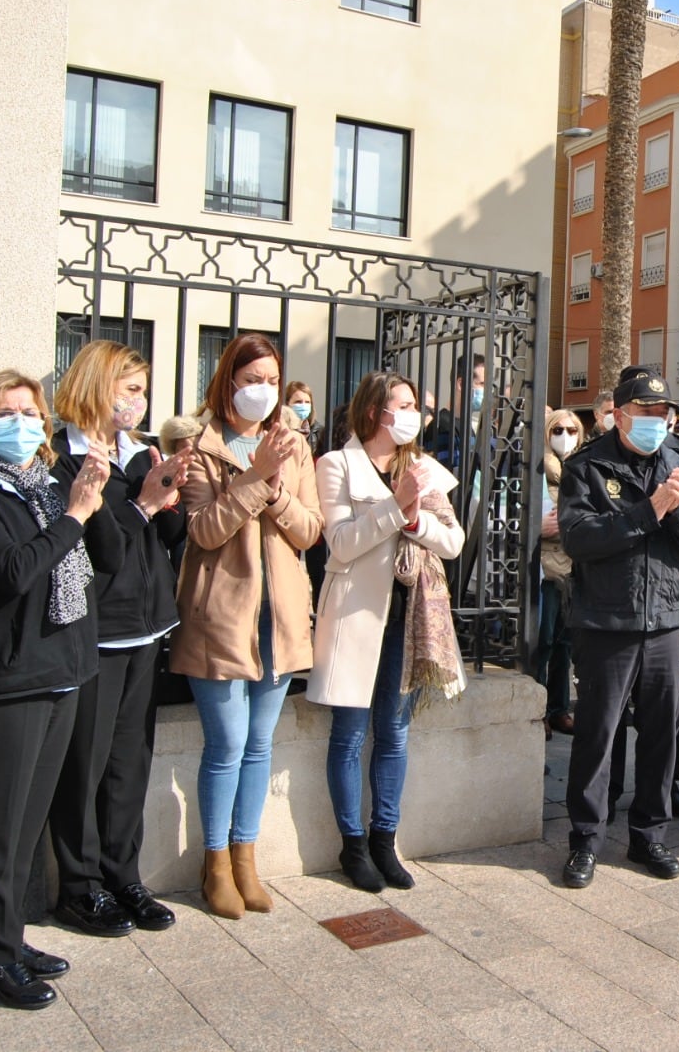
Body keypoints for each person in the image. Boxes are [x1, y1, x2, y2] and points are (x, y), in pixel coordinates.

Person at [0, 369, 123, 1009]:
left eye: (31, 411)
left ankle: (9, 940)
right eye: (7, 412)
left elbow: (109, 560)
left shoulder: (49, 489)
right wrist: (72, 515)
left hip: (63, 674)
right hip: (2, 684)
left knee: (26, 824)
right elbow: (14, 572)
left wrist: (91, 498)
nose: (24, 422)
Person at [171, 333, 322, 919]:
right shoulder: (199, 444)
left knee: (260, 744)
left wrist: (275, 486)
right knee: (227, 744)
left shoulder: (294, 446)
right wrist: (256, 476)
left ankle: (246, 858)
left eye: (271, 379)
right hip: (221, 616)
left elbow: (309, 531)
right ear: (228, 379)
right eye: (251, 377)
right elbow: (204, 530)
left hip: (279, 616)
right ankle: (214, 864)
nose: (263, 389)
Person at [556, 366, 679, 888]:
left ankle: (649, 835)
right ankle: (586, 838)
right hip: (607, 620)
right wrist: (649, 510)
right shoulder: (589, 465)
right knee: (597, 735)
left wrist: (676, 510)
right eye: (645, 413)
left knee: (660, 734)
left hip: (667, 621)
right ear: (620, 415)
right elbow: (579, 539)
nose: (655, 421)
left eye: (663, 413)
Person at [48, 341, 188, 938]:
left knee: (130, 761)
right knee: (86, 762)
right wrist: (141, 503)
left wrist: (170, 491)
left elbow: (167, 534)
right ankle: (79, 887)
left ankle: (123, 874)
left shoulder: (140, 451)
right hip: (96, 631)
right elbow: (98, 549)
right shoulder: (61, 459)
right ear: (96, 387)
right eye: (129, 388)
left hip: (147, 626)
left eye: (142, 390)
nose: (140, 400)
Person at [307, 372, 463, 893]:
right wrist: (397, 507)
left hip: (410, 615)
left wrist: (416, 521)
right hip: (356, 614)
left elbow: (453, 541)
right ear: (376, 411)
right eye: (405, 404)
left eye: (416, 404)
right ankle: (351, 844)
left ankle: (384, 838)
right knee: (350, 734)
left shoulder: (421, 467)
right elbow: (342, 544)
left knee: (394, 733)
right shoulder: (336, 465)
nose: (414, 413)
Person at [537, 409, 582, 736]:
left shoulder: (584, 468)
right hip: (545, 567)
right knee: (543, 641)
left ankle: (559, 708)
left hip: (576, 565)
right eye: (557, 429)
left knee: (565, 643)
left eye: (571, 429)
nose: (564, 434)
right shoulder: (536, 467)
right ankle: (537, 710)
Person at [284, 381, 320, 452]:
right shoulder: (280, 429)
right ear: (287, 403)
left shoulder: (318, 432)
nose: (303, 406)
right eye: (298, 402)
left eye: (307, 402)